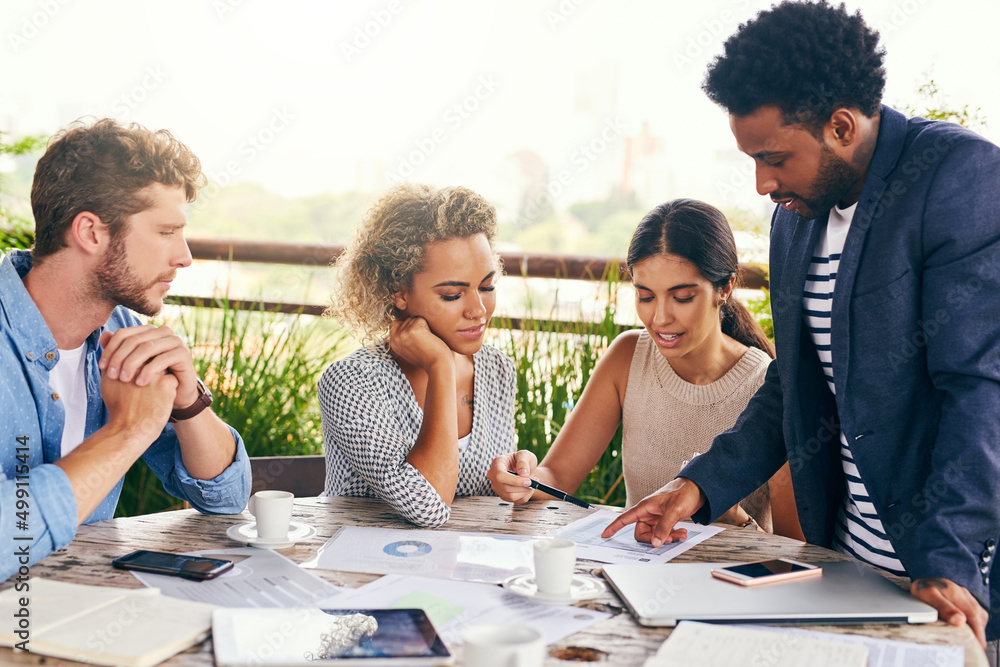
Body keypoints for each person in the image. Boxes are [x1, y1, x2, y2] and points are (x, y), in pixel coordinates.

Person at [602, 1, 1000, 656]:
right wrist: (697, 485)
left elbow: (980, 391)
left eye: (774, 157)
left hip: (943, 575)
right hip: (842, 566)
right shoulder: (797, 217)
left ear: (842, 126)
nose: (761, 182)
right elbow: (796, 383)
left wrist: (948, 561)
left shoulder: (958, 179)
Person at [1, 118, 251, 580]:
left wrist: (189, 404)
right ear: (91, 232)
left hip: (85, 608)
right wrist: (128, 431)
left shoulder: (123, 332)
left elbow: (226, 499)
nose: (184, 256)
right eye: (164, 232)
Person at [488, 199, 800, 537]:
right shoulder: (627, 357)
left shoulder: (769, 389)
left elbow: (794, 549)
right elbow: (556, 477)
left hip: (728, 582)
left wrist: (729, 514)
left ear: (724, 288)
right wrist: (523, 480)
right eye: (646, 296)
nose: (660, 317)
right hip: (633, 572)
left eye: (682, 297)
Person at [319, 183, 516, 528]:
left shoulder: (496, 368)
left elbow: (488, 495)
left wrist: (514, 476)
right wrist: (440, 366)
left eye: (487, 286)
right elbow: (428, 507)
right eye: (453, 295)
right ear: (399, 293)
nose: (479, 310)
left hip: (464, 573)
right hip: (364, 571)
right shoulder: (351, 383)